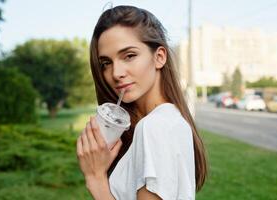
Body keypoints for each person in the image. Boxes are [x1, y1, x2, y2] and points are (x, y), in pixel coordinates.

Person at [76, 5, 207, 200]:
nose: (116, 73)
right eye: (106, 63)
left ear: (159, 57)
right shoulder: (169, 120)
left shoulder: (154, 127)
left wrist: (95, 179)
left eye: (129, 56)